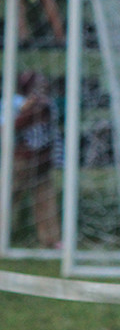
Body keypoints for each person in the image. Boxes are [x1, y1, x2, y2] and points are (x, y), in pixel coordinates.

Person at [11, 70, 60, 248]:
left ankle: (50, 240)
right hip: (24, 160)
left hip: (40, 159)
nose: (43, 85)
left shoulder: (43, 105)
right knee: (9, 197)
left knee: (45, 200)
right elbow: (13, 126)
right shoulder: (25, 104)